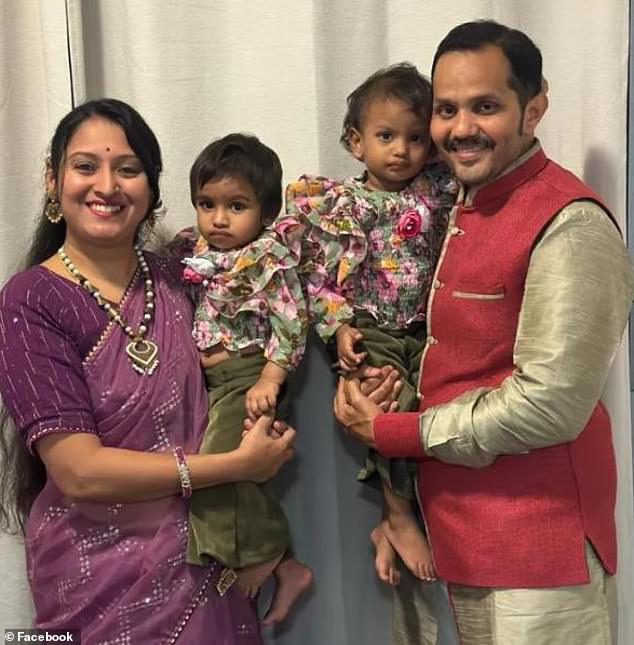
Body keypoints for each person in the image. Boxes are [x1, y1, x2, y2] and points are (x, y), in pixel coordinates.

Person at [334, 20, 634, 645]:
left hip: (538, 549)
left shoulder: (570, 222)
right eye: (446, 109)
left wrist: (395, 431)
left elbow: (550, 404)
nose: (460, 128)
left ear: (535, 109)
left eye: (486, 106)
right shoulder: (452, 206)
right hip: (455, 537)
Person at [0, 99, 295, 644]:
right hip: (90, 582)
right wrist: (234, 467)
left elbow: (244, 391)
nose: (106, 185)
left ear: (153, 189)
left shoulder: (185, 280)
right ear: (52, 180)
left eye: (128, 169)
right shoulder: (30, 300)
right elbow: (80, 473)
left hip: (210, 563)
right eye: (86, 165)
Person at [286, 63, 455, 585]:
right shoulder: (344, 205)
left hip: (425, 326)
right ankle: (398, 513)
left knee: (434, 412)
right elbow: (319, 278)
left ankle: (394, 520)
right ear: (356, 143)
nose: (401, 150)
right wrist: (338, 330)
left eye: (415, 138)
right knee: (388, 407)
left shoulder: (433, 193)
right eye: (386, 136)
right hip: (372, 326)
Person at [175, 133, 312, 625]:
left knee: (218, 465)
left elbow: (293, 322)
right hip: (215, 382)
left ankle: (265, 551)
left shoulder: (268, 258)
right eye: (207, 204)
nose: (218, 218)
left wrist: (269, 381)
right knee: (238, 474)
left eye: (236, 206)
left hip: (249, 375)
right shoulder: (196, 250)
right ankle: (289, 563)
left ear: (267, 211)